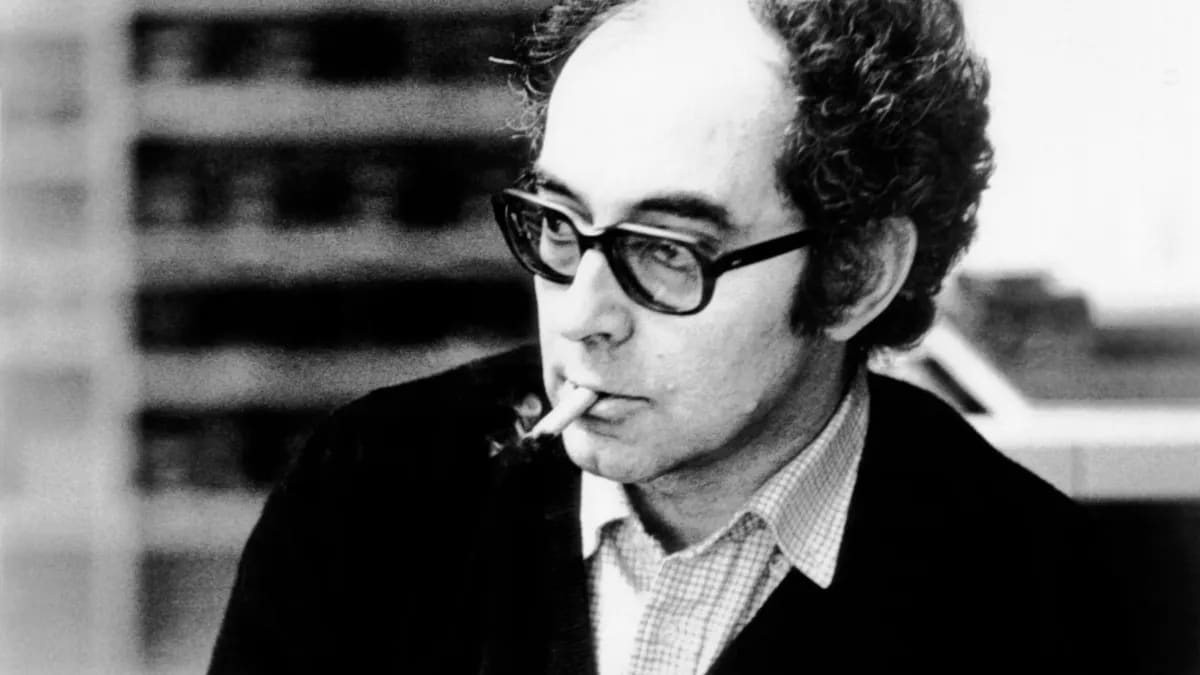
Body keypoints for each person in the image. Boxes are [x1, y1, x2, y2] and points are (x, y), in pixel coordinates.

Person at [209, 0, 1129, 673]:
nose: (582, 316)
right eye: (559, 224)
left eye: (665, 251)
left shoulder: (1042, 597)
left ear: (854, 274)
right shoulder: (364, 493)